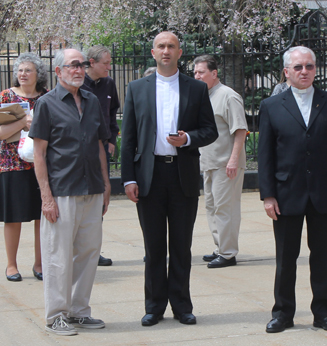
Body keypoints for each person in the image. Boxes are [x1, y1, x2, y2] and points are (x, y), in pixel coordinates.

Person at [121, 32, 218, 327]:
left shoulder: (196, 89)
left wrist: (188, 138)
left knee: (180, 246)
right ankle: (154, 307)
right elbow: (129, 139)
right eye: (161, 46)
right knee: (153, 248)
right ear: (153, 52)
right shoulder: (137, 89)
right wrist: (128, 179)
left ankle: (181, 305)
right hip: (148, 176)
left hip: (182, 174)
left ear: (179, 52)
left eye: (171, 46)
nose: (166, 51)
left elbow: (209, 130)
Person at [258, 46, 327, 334]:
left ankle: (324, 313)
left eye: (309, 66)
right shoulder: (272, 106)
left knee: (323, 258)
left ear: (316, 70)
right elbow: (265, 155)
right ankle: (283, 313)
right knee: (286, 258)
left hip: (325, 191)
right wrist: (268, 194)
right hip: (287, 193)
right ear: (286, 71)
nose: (304, 71)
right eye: (298, 67)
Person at [30, 48, 111, 336]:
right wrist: (46, 197)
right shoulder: (47, 104)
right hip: (61, 191)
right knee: (57, 256)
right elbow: (39, 155)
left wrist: (106, 183)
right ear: (58, 71)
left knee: (88, 253)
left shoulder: (91, 101)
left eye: (82, 65)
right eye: (73, 65)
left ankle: (79, 311)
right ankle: (56, 315)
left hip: (91, 188)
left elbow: (100, 145)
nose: (79, 70)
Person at [0, 52, 48, 282]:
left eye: (28, 70)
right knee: (12, 217)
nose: (22, 74)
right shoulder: (6, 97)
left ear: (38, 75)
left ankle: (40, 264)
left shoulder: (46, 98)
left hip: (41, 164)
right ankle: (11, 265)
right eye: (20, 70)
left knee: (42, 217)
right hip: (11, 165)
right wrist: (22, 122)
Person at [193, 55, 248, 268]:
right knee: (212, 207)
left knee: (226, 208)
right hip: (209, 162)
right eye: (195, 72)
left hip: (226, 164)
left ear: (214, 74)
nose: (197, 76)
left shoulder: (228, 96)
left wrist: (233, 160)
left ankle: (228, 253)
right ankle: (220, 247)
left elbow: (240, 130)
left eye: (201, 72)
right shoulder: (204, 96)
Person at [81, 45, 120, 267]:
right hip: (81, 148)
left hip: (102, 147)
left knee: (100, 199)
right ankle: (81, 250)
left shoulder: (108, 83)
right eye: (105, 63)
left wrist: (112, 138)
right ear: (91, 62)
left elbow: (112, 112)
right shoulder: (79, 84)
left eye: (110, 62)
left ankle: (94, 250)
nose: (109, 67)